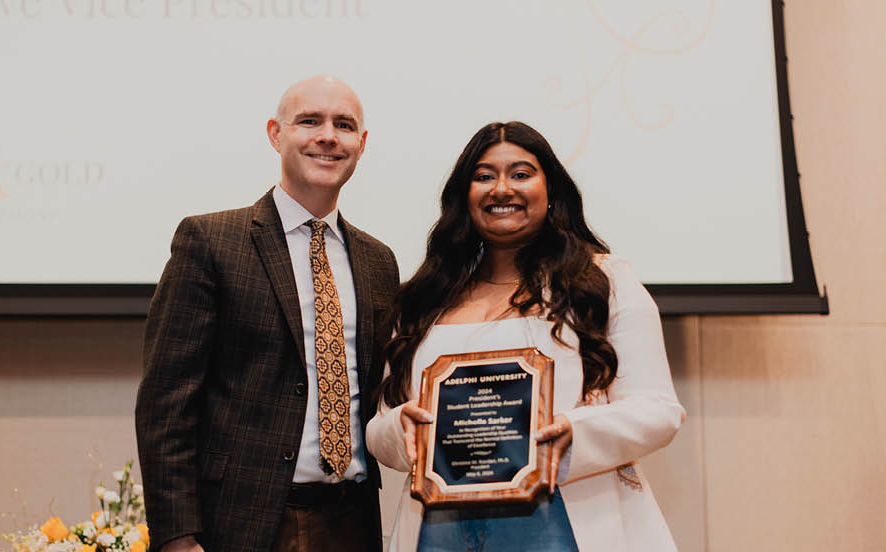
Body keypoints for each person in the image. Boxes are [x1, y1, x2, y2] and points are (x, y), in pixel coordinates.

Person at [365, 121, 685, 552]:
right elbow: (382, 422)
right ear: (465, 196)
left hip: (569, 524)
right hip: (441, 532)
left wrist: (570, 431)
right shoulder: (423, 300)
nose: (501, 189)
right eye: (483, 176)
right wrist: (400, 431)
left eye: (520, 173)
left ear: (550, 190)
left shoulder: (603, 282)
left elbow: (659, 410)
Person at [135, 76, 400, 552]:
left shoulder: (379, 260)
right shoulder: (211, 240)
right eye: (309, 121)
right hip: (243, 522)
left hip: (353, 520)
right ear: (275, 134)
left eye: (343, 125)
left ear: (361, 144)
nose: (327, 136)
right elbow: (165, 404)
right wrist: (176, 535)